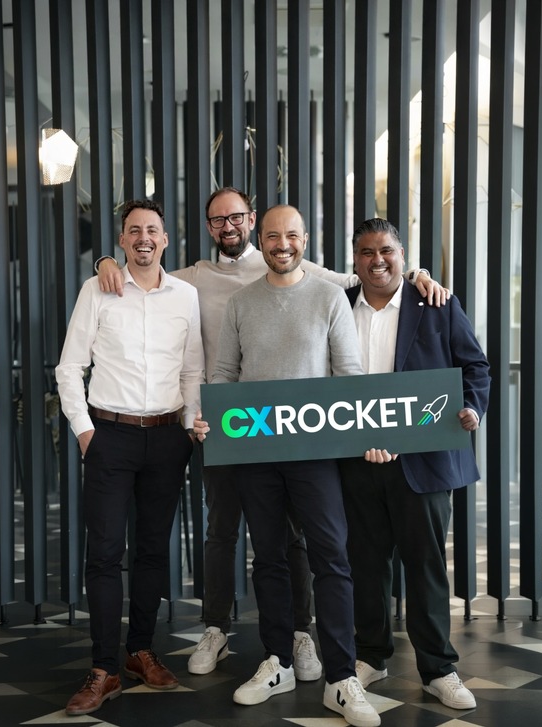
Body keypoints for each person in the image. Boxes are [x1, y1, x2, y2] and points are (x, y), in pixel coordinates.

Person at [96, 187, 446, 681]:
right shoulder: (194, 277)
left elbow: (367, 275)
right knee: (223, 533)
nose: (228, 226)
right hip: (234, 431)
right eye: (218, 220)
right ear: (211, 227)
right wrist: (105, 262)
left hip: (304, 439)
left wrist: (417, 274)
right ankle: (218, 630)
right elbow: (146, 272)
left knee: (301, 542)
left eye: (236, 217)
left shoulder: (305, 271)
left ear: (253, 222)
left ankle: (305, 639)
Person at [194, 204, 381, 727]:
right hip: (255, 456)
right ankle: (276, 661)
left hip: (316, 456)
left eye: (291, 235)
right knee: (269, 560)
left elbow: (349, 374)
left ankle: (341, 678)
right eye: (273, 236)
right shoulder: (241, 302)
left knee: (331, 559)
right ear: (262, 238)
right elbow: (225, 373)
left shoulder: (328, 297)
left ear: (304, 239)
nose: (282, 244)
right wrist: (213, 417)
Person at [55, 199, 205, 717]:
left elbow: (192, 370)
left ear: (165, 239)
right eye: (134, 230)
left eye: (152, 230)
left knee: (152, 551)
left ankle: (140, 651)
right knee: (103, 554)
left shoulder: (186, 295)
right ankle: (103, 668)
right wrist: (85, 432)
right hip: (110, 437)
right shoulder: (97, 289)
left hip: (167, 438)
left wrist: (189, 428)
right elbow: (70, 367)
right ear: (121, 241)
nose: (144, 237)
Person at [338, 218, 490, 710]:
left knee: (425, 566)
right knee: (365, 565)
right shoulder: (337, 303)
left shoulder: (437, 304)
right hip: (355, 461)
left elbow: (475, 366)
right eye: (366, 252)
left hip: (422, 463)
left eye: (386, 250)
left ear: (402, 255)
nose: (377, 260)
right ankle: (372, 655)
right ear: (354, 259)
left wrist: (472, 408)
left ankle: (438, 669)